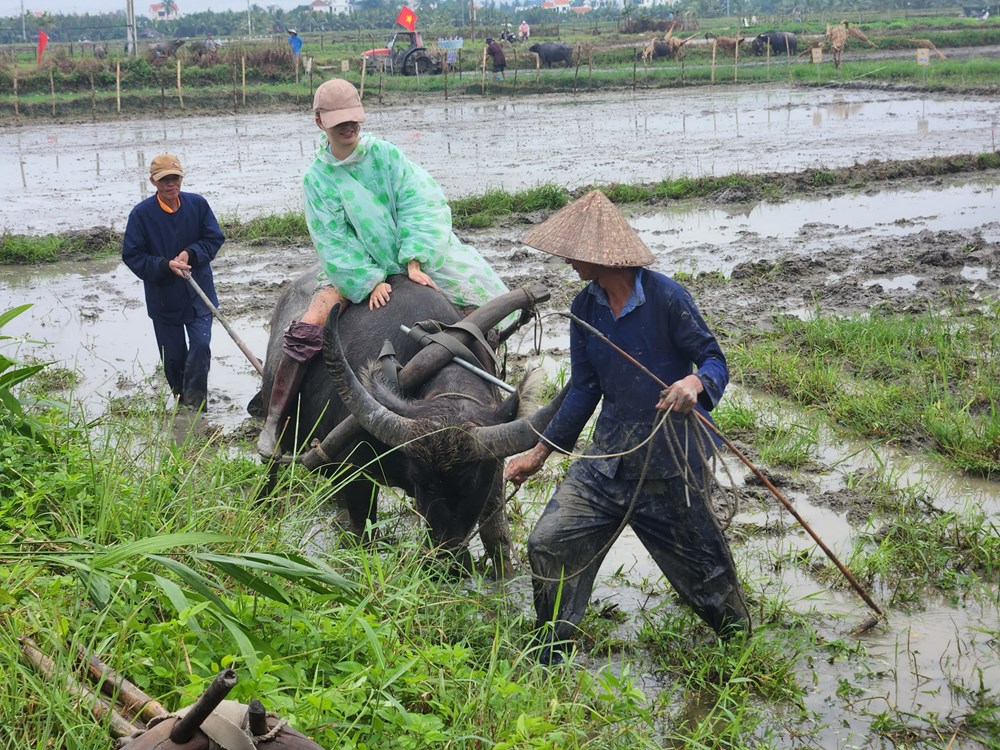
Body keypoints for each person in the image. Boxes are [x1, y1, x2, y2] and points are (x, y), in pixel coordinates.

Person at [505, 190, 751, 665]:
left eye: (573, 251)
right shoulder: (585, 307)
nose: (566, 259)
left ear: (600, 255)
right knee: (548, 542)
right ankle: (552, 651)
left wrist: (694, 384)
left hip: (671, 464)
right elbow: (584, 390)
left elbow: (714, 360)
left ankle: (740, 651)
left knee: (708, 576)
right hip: (608, 463)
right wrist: (539, 454)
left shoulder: (667, 298)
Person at [257, 79, 510, 458]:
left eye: (352, 119)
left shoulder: (386, 156)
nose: (348, 127)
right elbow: (333, 238)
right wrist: (368, 280)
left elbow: (418, 201)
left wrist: (414, 257)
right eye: (338, 121)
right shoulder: (318, 179)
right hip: (353, 269)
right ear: (320, 122)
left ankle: (485, 402)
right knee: (308, 328)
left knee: (478, 313)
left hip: (408, 254)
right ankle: (275, 420)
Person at [122, 154, 225, 410]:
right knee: (174, 358)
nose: (171, 184)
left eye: (175, 178)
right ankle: (181, 401)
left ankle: (197, 405)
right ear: (153, 182)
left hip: (198, 294)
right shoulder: (141, 215)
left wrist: (191, 253)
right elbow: (133, 255)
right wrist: (164, 265)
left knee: (200, 346)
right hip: (164, 299)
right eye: (164, 179)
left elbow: (214, 239)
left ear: (181, 178)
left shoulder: (197, 205)